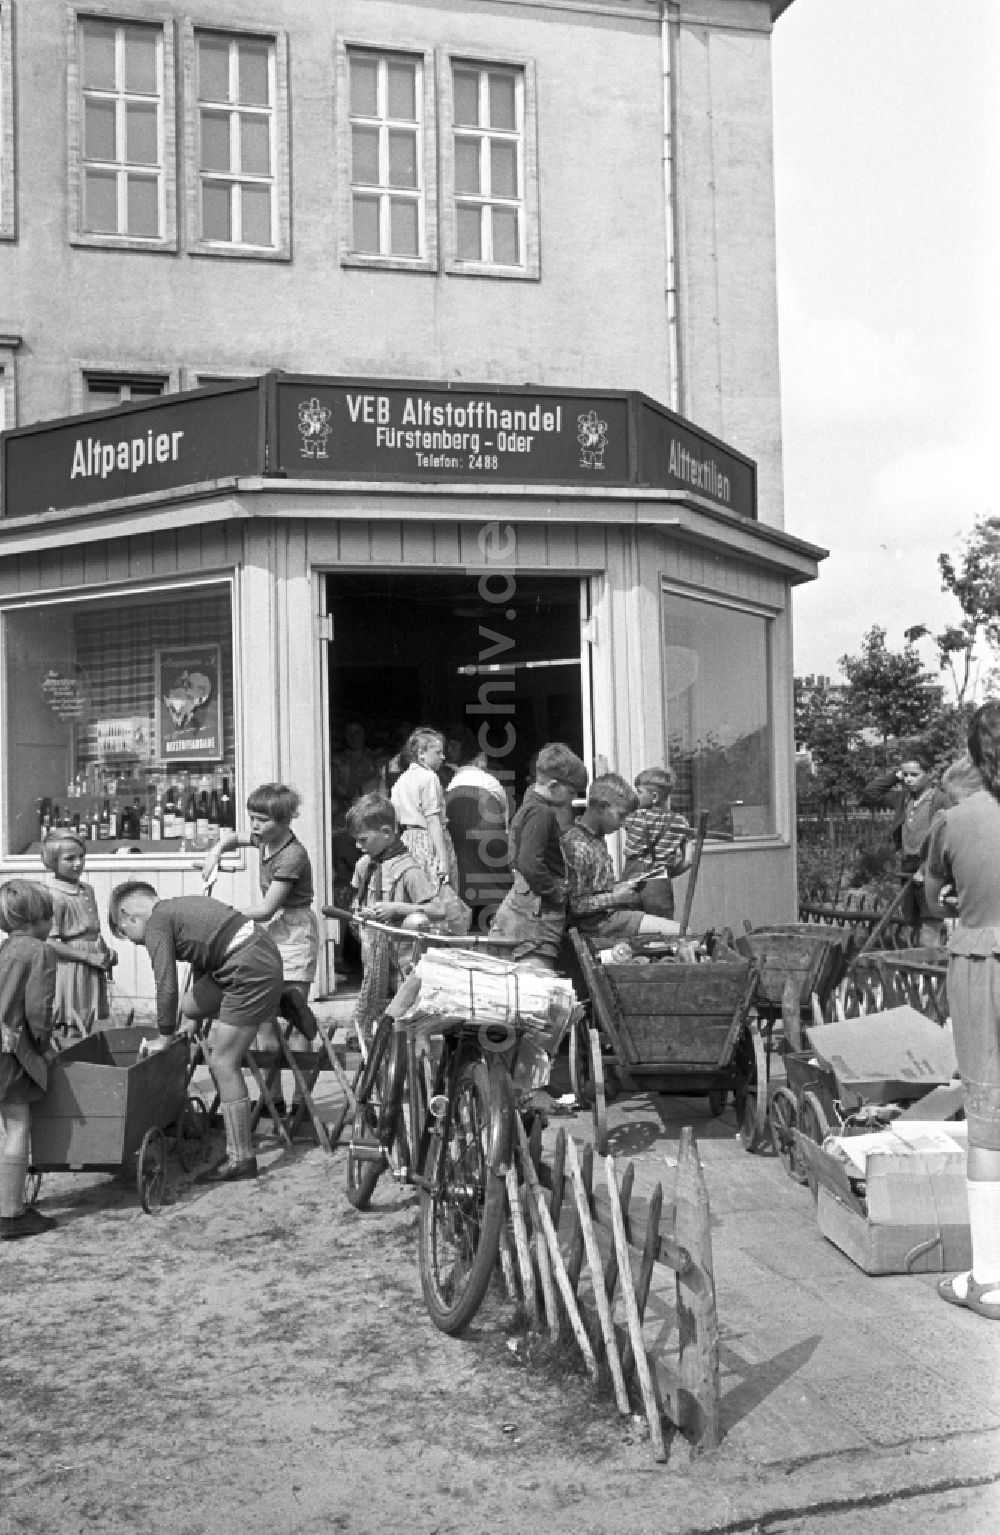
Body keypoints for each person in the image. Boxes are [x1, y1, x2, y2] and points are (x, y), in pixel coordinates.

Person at [109, 882, 284, 1183]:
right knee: (190, 1006)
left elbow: (166, 985)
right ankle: (280, 998)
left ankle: (241, 1158)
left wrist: (164, 1036)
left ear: (128, 916)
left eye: (125, 933)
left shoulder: (156, 924)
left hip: (248, 967)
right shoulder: (177, 910)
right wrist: (193, 1019)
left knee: (222, 1063)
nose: (133, 941)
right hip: (252, 954)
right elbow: (206, 958)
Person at [925, 701, 1000, 1320]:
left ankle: (991, 1279)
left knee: (989, 1121)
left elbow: (935, 899)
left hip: (985, 967)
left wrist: (961, 899)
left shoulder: (956, 819)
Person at [346, 794, 446, 1045]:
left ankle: (415, 1071)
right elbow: (356, 903)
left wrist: (397, 908)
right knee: (375, 1017)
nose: (359, 846)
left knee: (405, 1018)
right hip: (373, 956)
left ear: (387, 832)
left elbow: (437, 910)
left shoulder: (408, 870)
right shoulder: (364, 866)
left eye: (363, 840)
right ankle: (377, 1066)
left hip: (402, 962)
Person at [488, 742, 588, 967]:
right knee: (537, 988)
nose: (573, 799)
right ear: (554, 785)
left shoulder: (529, 805)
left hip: (525, 905)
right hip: (536, 914)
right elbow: (529, 863)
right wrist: (556, 894)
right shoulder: (541, 813)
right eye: (572, 792)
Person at [0, 880, 58, 1240]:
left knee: (7, 1126)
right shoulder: (39, 951)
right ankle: (9, 1211)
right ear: (39, 918)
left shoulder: (5, 949)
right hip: (10, 1050)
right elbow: (38, 1009)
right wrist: (45, 1045)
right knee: (19, 1125)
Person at [562, 772, 682, 946]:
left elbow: (596, 888)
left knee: (671, 938)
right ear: (602, 807)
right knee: (679, 934)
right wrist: (617, 897)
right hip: (597, 925)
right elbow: (575, 905)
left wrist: (622, 887)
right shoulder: (578, 846)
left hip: (611, 917)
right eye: (621, 815)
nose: (624, 823)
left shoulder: (596, 838)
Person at [861, 748, 950, 946]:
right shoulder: (904, 798)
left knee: (930, 921)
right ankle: (918, 967)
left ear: (930, 775)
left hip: (930, 865)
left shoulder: (940, 799)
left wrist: (926, 866)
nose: (909, 779)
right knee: (912, 921)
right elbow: (870, 793)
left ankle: (931, 969)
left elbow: (945, 836)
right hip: (908, 864)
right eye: (906, 775)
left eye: (915, 775)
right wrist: (895, 776)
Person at [40, 829, 116, 1036]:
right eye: (69, 859)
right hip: (70, 966)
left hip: (92, 963)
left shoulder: (86, 890)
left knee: (89, 1021)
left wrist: (105, 952)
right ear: (52, 861)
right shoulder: (53, 895)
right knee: (71, 1021)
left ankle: (85, 1059)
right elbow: (50, 941)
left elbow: (92, 931)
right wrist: (88, 957)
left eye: (81, 857)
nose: (78, 863)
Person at [445, 736, 511, 931]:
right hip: (491, 853)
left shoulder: (449, 786)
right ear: (480, 757)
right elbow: (504, 825)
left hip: (461, 863)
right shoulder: (491, 782)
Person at [390, 727, 459, 893]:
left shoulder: (401, 780)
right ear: (421, 753)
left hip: (406, 841)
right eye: (438, 752)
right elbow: (432, 819)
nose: (443, 757)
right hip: (429, 840)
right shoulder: (428, 777)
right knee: (439, 893)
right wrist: (443, 859)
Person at [621, 767, 692, 920]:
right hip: (659, 884)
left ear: (654, 796)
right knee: (662, 933)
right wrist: (667, 873)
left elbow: (612, 816)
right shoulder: (681, 822)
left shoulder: (634, 816)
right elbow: (688, 861)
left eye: (638, 792)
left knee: (629, 931)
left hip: (630, 884)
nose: (634, 796)